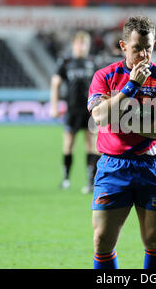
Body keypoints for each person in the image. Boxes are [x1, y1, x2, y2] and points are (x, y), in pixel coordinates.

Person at [87, 16, 156, 269]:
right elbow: (99, 116)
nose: (144, 54)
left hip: (154, 167)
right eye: (138, 47)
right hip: (114, 166)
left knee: (155, 240)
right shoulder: (105, 76)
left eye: (148, 47)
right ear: (123, 46)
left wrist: (122, 120)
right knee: (102, 241)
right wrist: (131, 87)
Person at [50, 31, 100, 194]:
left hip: (90, 110)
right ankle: (66, 179)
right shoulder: (66, 62)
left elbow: (102, 85)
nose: (81, 47)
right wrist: (54, 106)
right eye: (78, 43)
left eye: (84, 44)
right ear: (73, 45)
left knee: (91, 145)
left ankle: (90, 181)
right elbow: (55, 83)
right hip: (72, 110)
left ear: (88, 46)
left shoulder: (93, 63)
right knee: (68, 145)